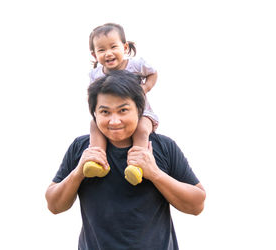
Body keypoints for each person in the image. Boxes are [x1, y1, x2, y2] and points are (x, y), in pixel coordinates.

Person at [45, 70, 206, 250]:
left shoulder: (163, 147)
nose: (114, 121)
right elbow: (54, 205)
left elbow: (196, 205)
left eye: (123, 110)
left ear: (139, 110)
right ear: (94, 114)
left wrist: (155, 174)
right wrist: (77, 173)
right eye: (105, 112)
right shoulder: (81, 148)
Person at [84, 23, 158, 185]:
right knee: (94, 124)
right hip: (113, 116)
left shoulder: (136, 65)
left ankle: (137, 165)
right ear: (95, 55)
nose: (108, 53)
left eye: (113, 47)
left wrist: (145, 88)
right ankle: (97, 160)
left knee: (141, 129)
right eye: (101, 50)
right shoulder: (96, 74)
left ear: (124, 48)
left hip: (143, 113)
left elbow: (153, 73)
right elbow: (92, 94)